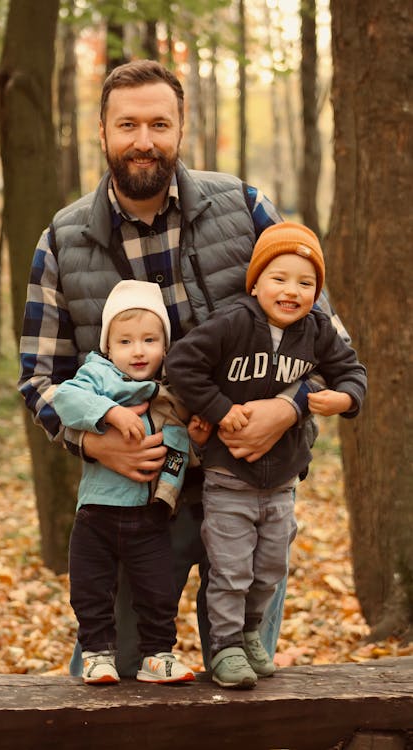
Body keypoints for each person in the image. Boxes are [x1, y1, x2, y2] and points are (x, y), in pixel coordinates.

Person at [18, 59, 349, 677]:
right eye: (128, 125)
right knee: (117, 680)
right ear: (102, 132)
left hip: (255, 483)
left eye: (159, 123)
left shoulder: (246, 210)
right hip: (134, 501)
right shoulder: (63, 241)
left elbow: (331, 342)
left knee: (244, 677)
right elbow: (39, 379)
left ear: (181, 129)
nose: (144, 140)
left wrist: (288, 408)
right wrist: (92, 442)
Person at [165, 222, 367, 688]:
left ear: (317, 293)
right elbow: (181, 365)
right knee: (231, 568)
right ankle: (225, 646)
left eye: (305, 282)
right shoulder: (233, 322)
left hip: (283, 482)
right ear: (255, 282)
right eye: (279, 278)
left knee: (270, 569)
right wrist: (220, 409)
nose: (291, 291)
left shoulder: (316, 330)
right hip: (228, 478)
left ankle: (251, 632)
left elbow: (351, 370)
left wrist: (346, 399)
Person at [53, 279, 196, 684]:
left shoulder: (167, 391)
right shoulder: (96, 376)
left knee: (158, 590)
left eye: (149, 340)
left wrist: (192, 441)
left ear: (164, 347)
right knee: (91, 589)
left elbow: (179, 444)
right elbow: (65, 399)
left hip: (149, 516)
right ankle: (98, 653)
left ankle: (158, 654)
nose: (138, 351)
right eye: (126, 341)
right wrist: (112, 415)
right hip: (97, 514)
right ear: (108, 348)